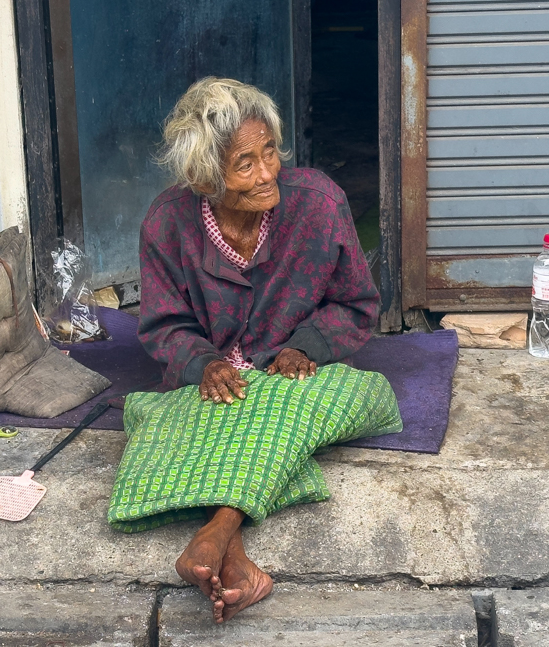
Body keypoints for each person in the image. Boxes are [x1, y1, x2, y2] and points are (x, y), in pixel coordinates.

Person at [131, 77, 380, 622]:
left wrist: (307, 345)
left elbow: (358, 304)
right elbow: (162, 325)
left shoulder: (318, 204)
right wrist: (202, 362)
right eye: (245, 164)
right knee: (185, 419)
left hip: (296, 373)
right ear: (204, 175)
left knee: (304, 404)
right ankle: (236, 560)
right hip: (216, 377)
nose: (268, 173)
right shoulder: (168, 224)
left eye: (270, 152)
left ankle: (219, 529)